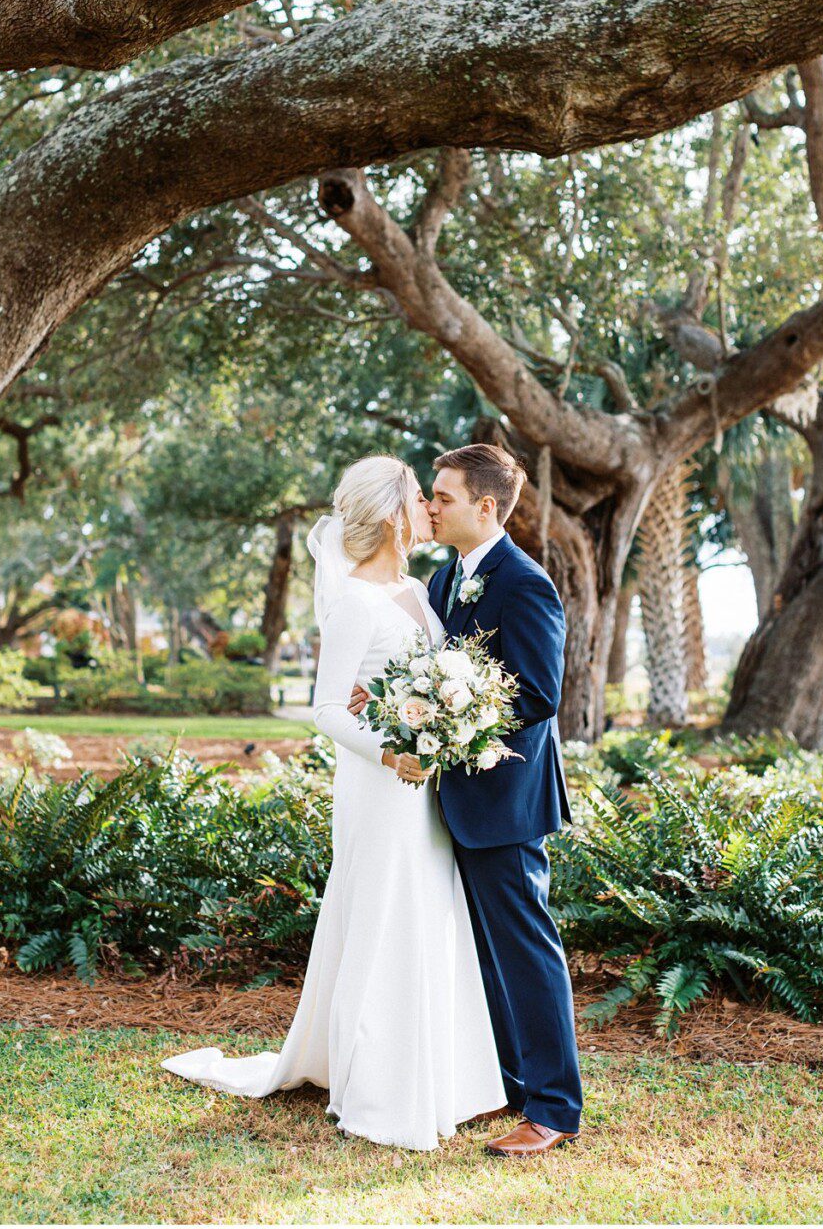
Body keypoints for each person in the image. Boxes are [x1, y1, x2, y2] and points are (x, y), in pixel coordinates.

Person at [160, 455, 509, 1152]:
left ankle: (446, 1077)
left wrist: (446, 722)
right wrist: (390, 751)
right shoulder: (353, 601)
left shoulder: (417, 588)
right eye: (419, 497)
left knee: (424, 915)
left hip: (423, 787)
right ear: (392, 516)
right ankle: (377, 1085)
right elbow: (325, 708)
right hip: (381, 787)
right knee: (382, 917)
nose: (429, 508)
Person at [348, 442, 582, 1157]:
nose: (429, 506)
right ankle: (512, 1087)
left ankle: (552, 1111)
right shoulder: (448, 577)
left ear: (486, 507)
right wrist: (392, 699)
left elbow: (539, 694)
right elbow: (433, 668)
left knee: (525, 953)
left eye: (443, 497)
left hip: (507, 802)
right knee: (486, 957)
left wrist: (456, 714)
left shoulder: (524, 582)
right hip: (455, 804)